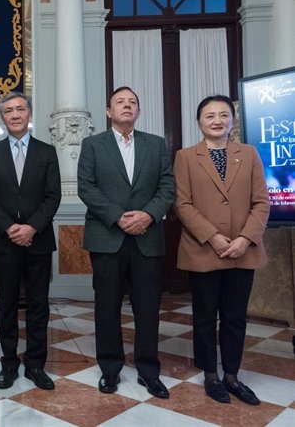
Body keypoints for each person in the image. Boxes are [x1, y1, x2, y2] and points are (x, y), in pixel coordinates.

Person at [77, 86, 175, 399]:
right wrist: (119, 217)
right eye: (120, 102)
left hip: (147, 237)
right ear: (109, 112)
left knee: (148, 308)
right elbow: (86, 188)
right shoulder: (92, 144)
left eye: (133, 102)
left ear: (139, 111)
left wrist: (148, 215)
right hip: (107, 237)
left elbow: (167, 187)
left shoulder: (156, 144)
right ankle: (109, 368)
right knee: (107, 306)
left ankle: (148, 370)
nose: (127, 106)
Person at [174, 95, 269, 405]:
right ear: (199, 122)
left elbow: (261, 202)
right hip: (204, 250)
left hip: (243, 251)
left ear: (232, 121)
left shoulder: (250, 153)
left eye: (223, 115)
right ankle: (211, 376)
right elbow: (182, 204)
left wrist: (245, 238)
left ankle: (232, 375)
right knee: (204, 318)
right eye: (210, 115)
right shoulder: (186, 157)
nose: (217, 120)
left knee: (235, 317)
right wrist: (212, 236)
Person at [0, 92, 61, 390]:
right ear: (2, 117)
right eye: (9, 111)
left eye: (20, 109)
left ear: (29, 114)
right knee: (7, 305)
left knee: (39, 305)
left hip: (38, 241)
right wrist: (11, 228)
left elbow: (54, 196)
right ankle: (9, 364)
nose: (15, 115)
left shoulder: (47, 152)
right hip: (4, 242)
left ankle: (36, 365)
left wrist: (31, 228)